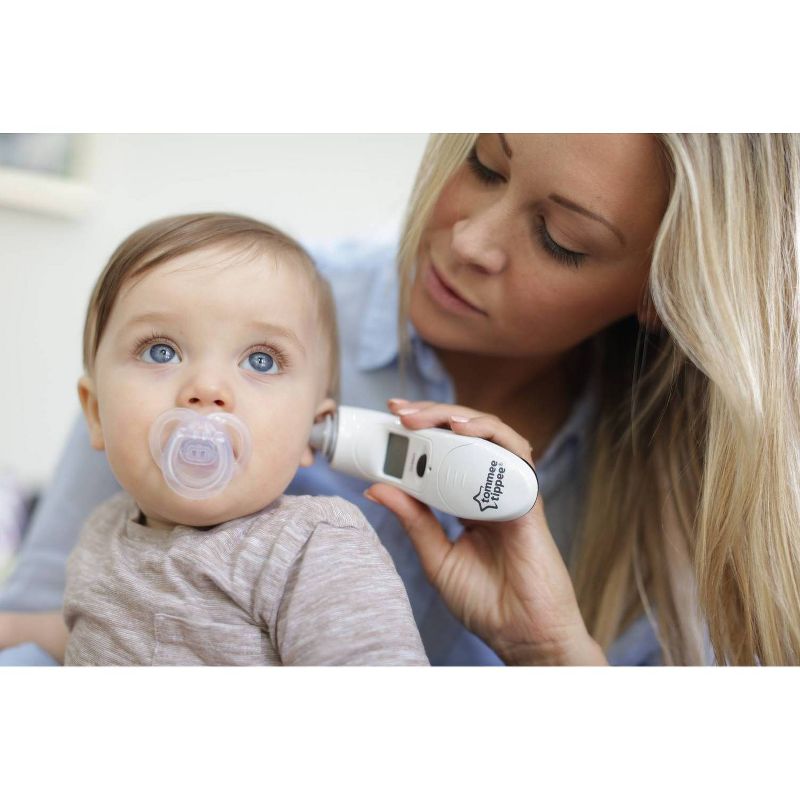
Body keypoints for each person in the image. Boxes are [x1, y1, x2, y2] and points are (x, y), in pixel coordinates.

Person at [3, 133, 799, 666]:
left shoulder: (711, 502)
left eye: (561, 239)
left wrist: (555, 655)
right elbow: (57, 628)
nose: (468, 241)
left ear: (665, 290)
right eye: (485, 164)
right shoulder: (224, 298)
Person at [0, 212, 428, 665]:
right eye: (160, 351)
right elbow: (92, 635)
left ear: (312, 429)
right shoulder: (102, 531)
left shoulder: (312, 549)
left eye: (261, 361)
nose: (207, 388)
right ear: (96, 413)